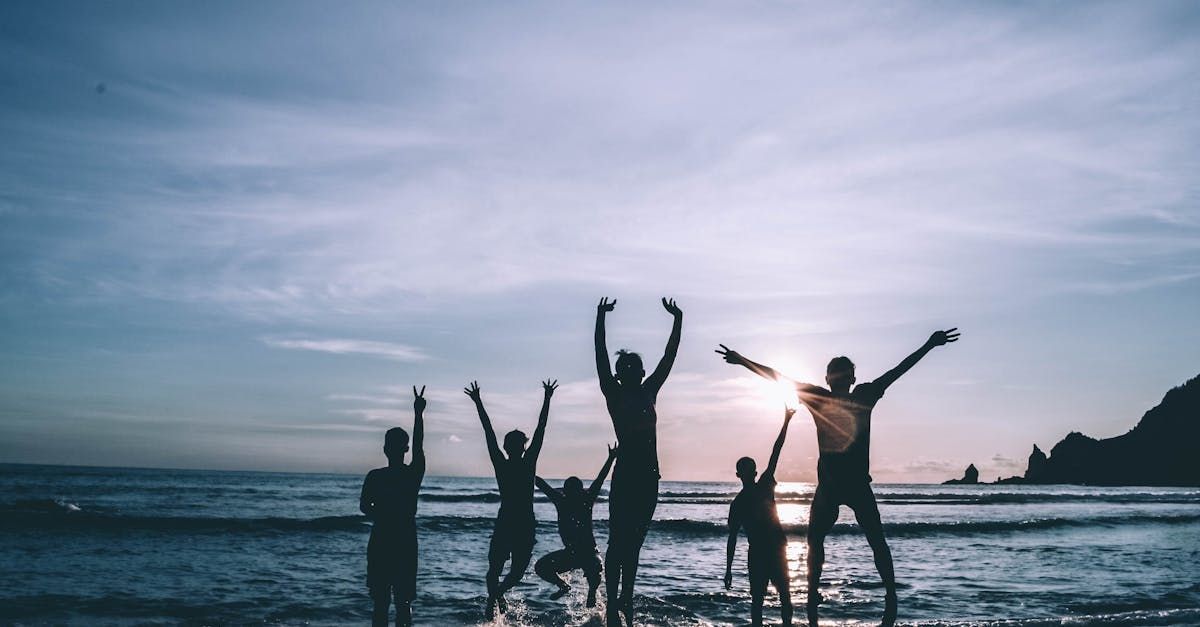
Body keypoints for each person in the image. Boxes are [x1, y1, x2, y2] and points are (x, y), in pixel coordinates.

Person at [717, 328, 960, 627]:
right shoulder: (818, 397)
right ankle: (812, 595)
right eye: (835, 373)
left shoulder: (864, 395)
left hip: (858, 485)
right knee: (814, 540)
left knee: (876, 540)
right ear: (828, 378)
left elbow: (898, 371)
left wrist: (928, 344)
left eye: (844, 373)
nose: (840, 377)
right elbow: (777, 376)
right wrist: (743, 361)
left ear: (851, 378)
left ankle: (890, 598)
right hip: (829, 488)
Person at [594, 296, 682, 627]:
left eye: (635, 368)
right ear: (618, 375)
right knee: (618, 542)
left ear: (641, 372)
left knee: (634, 545)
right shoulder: (613, 394)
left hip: (649, 477)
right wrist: (600, 317)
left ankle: (624, 603)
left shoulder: (649, 392)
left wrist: (678, 320)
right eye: (624, 368)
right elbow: (600, 356)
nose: (630, 371)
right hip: (627, 475)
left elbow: (669, 356)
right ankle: (612, 606)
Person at [466, 379, 556, 620]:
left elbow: (538, 430)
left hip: (517, 522)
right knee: (498, 570)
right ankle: (495, 597)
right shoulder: (513, 464)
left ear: (517, 447)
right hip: (514, 522)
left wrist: (478, 402)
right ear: (510, 447)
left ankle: (495, 596)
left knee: (510, 573)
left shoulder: (520, 464)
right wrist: (547, 398)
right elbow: (539, 429)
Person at [360, 385, 427, 627]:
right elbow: (419, 446)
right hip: (405, 542)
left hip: (381, 540)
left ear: (385, 448)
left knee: (381, 603)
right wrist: (418, 414)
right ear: (404, 449)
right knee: (403, 603)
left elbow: (364, 507)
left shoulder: (375, 476)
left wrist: (383, 513)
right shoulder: (412, 474)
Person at [725, 406, 796, 626]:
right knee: (763, 600)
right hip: (762, 551)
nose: (747, 474)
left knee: (779, 598)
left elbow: (777, 451)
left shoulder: (761, 488)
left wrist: (786, 421)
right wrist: (727, 569)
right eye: (745, 470)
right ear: (742, 474)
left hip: (773, 549)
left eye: (749, 470)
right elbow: (732, 537)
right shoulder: (741, 501)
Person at [534, 443, 618, 607]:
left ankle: (592, 593)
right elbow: (541, 484)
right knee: (541, 567)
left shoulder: (582, 500)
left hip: (589, 553)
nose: (572, 494)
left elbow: (600, 479)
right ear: (566, 491)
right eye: (569, 491)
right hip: (571, 554)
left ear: (579, 491)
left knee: (595, 567)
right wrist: (526, 468)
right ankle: (563, 585)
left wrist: (610, 458)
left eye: (574, 491)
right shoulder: (564, 501)